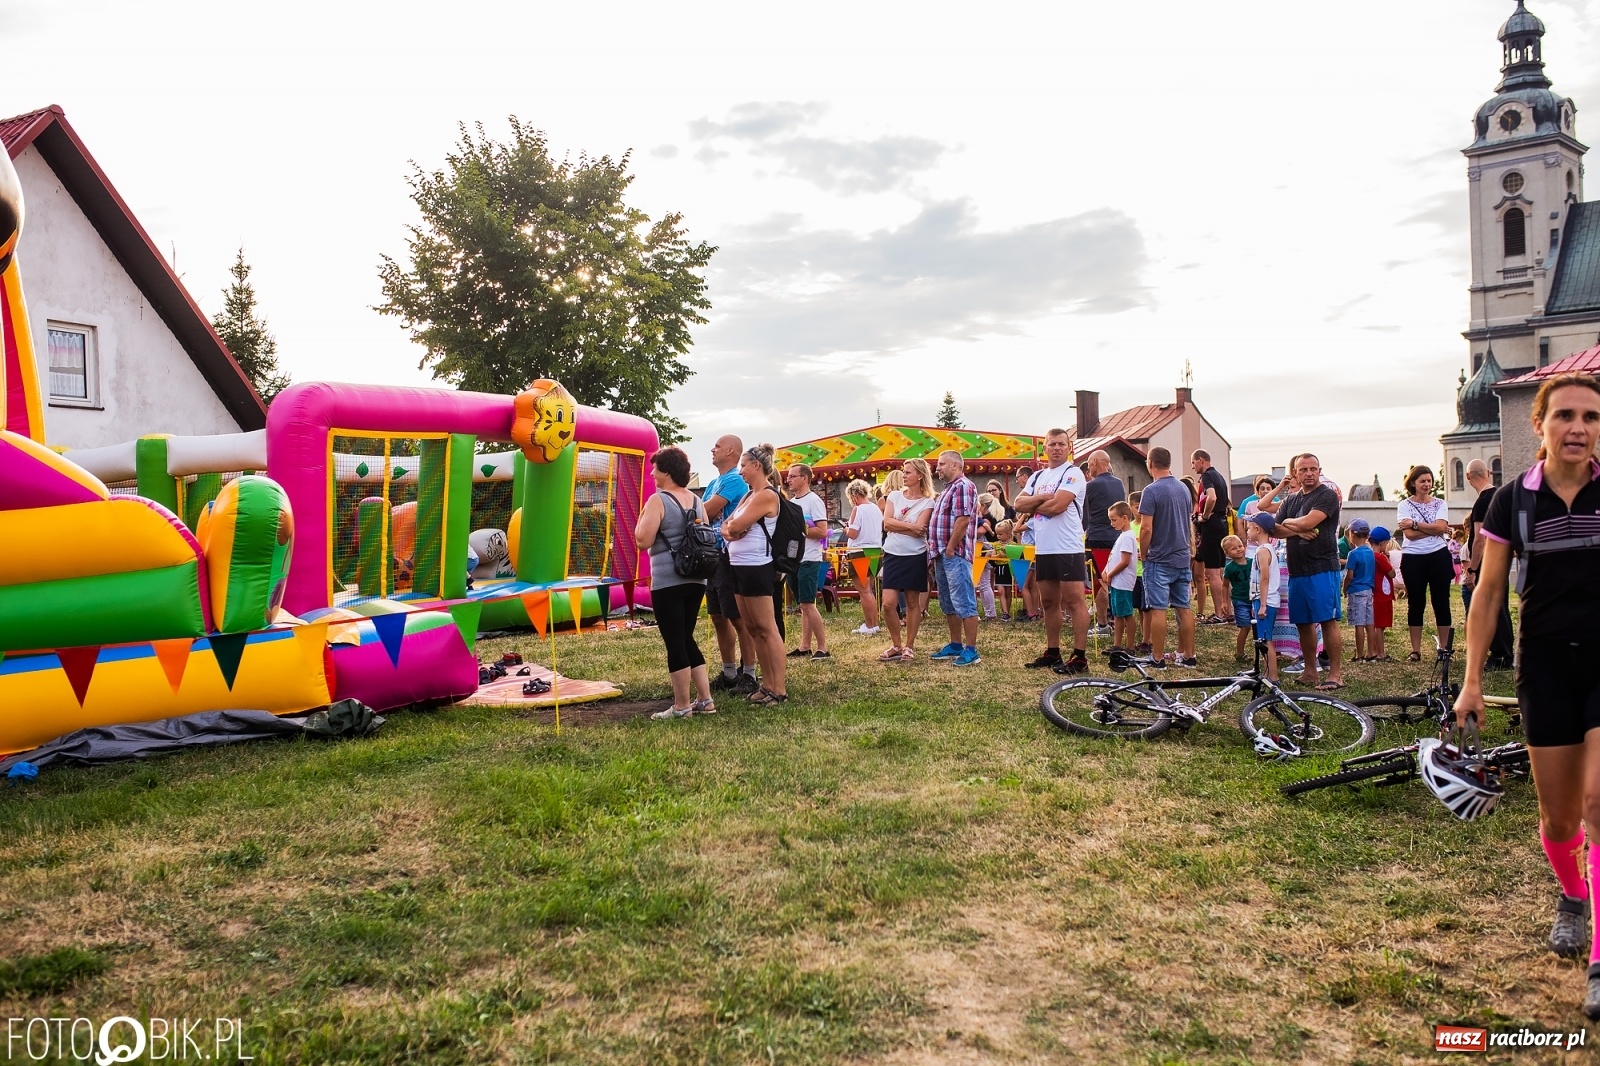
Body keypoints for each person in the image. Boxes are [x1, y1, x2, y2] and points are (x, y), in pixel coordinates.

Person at [1452, 373, 1600, 1018]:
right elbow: (1487, 594)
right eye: (1565, 415)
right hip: (1544, 664)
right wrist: (1473, 679)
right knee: (1561, 818)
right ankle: (1572, 896)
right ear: (1538, 425)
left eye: (1592, 417)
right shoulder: (1511, 500)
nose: (1579, 428)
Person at [635, 446, 715, 719]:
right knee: (686, 636)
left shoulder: (658, 500)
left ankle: (681, 706)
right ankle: (705, 700)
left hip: (669, 579)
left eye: (656, 468)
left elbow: (642, 540)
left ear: (666, 471)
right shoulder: (696, 501)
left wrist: (641, 519)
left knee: (675, 641)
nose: (652, 473)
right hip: (697, 577)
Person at [1259, 453, 1344, 690]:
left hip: (1323, 566)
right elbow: (1274, 529)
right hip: (1297, 570)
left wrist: (1292, 525)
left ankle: (1335, 674)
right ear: (1295, 473)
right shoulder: (1291, 501)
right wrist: (1296, 529)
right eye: (1303, 470)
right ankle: (1309, 671)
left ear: (1319, 471)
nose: (1308, 473)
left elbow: (1309, 522)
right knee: (1303, 623)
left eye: (1313, 469)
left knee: (1327, 620)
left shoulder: (1326, 495)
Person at [1014, 430, 1090, 673]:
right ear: (1044, 448)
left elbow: (1058, 506)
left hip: (1068, 546)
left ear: (1069, 448)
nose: (1056, 448)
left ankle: (1079, 656)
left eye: (1061, 444)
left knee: (1074, 601)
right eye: (1052, 444)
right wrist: (1046, 497)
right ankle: (1053, 651)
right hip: (1044, 547)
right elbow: (1017, 504)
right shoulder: (1037, 476)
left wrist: (1036, 502)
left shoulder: (1073, 473)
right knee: (1048, 601)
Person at [720, 444, 789, 706]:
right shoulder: (748, 496)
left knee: (766, 628)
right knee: (751, 628)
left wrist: (733, 528)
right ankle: (766, 684)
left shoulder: (766, 495)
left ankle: (778, 689)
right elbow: (728, 526)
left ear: (757, 466)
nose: (741, 471)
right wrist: (733, 529)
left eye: (744, 466)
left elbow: (735, 525)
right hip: (738, 565)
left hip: (757, 566)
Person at [701, 434, 757, 695]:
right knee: (718, 616)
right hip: (712, 557)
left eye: (718, 446)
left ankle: (749, 673)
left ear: (731, 451)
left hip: (727, 556)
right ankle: (729, 672)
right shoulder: (714, 481)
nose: (713, 449)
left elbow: (705, 512)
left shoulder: (734, 479)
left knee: (736, 617)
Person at [1137, 447, 1197, 667]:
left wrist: (1144, 554)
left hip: (1159, 558)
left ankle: (1158, 657)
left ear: (1150, 463)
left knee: (1158, 609)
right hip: (1181, 556)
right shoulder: (1183, 488)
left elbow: (1145, 529)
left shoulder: (1151, 491)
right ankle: (1189, 655)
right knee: (1184, 607)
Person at [927, 451, 982, 667]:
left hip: (955, 554)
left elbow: (963, 520)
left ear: (955, 466)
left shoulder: (963, 486)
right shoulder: (948, 489)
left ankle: (971, 650)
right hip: (942, 553)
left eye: (941, 464)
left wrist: (950, 548)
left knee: (964, 601)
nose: (937, 468)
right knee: (948, 602)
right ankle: (956, 644)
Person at [878, 458, 935, 663]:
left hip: (915, 555)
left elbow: (922, 526)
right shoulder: (893, 495)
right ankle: (896, 644)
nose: (904, 475)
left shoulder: (929, 501)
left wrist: (898, 524)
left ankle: (909, 646)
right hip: (893, 553)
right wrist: (910, 528)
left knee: (912, 603)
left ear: (920, 475)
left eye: (908, 472)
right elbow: (887, 523)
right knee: (888, 604)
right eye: (904, 471)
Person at [1396, 464, 1454, 662]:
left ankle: (1445, 648)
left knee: (1441, 602)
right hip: (1413, 558)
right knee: (1416, 603)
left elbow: (1441, 527)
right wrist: (1434, 529)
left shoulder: (1440, 503)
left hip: (1438, 555)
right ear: (1413, 483)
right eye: (1422, 481)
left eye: (1429, 481)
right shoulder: (1404, 505)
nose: (1426, 484)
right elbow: (1410, 536)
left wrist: (1415, 523)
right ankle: (1415, 649)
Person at [1462, 458, 1516, 670]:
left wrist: (1473, 569)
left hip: (1488, 562)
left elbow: (1480, 539)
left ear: (1468, 477)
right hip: (1502, 560)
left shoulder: (1484, 501)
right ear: (1488, 473)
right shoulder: (1502, 497)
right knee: (1501, 607)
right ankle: (1506, 654)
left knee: (1490, 608)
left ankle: (1499, 655)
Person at [784, 464, 831, 661]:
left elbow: (822, 531)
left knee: (808, 604)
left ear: (804, 478)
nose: (789, 480)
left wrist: (799, 529)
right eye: (788, 476)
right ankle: (804, 646)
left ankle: (823, 648)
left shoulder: (814, 501)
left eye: (793, 476)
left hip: (809, 559)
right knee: (803, 604)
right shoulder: (792, 502)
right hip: (793, 559)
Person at [1082, 450, 1126, 637]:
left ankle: (1102, 625)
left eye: (1089, 464)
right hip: (1116, 537)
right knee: (1116, 580)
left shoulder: (1090, 486)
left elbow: (1084, 516)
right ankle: (1120, 621)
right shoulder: (1119, 484)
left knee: (1100, 582)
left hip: (1098, 538)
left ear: (1094, 463)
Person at [1191, 449, 1232, 627]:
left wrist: (1205, 516)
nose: (1192, 467)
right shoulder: (1220, 476)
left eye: (1193, 463)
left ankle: (1219, 614)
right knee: (1221, 571)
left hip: (1212, 524)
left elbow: (1212, 497)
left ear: (1201, 460)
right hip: (1222, 524)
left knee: (1212, 572)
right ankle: (1227, 611)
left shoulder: (1207, 476)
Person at [844, 479, 883, 636]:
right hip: (875, 550)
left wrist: (846, 529)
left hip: (859, 552)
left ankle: (869, 625)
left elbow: (853, 533)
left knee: (864, 591)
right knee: (869, 590)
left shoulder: (858, 510)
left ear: (854, 495)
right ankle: (874, 624)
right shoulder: (875, 508)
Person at [1246, 514, 1281, 681]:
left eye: (1249, 527)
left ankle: (1272, 677)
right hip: (1264, 599)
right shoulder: (1268, 549)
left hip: (1265, 600)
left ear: (1257, 529)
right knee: (1264, 638)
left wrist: (1263, 605)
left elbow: (1264, 578)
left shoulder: (1262, 551)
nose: (1247, 531)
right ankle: (1268, 673)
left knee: (1266, 640)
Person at [1101, 502, 1139, 652]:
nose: (1112, 523)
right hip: (1116, 582)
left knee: (1127, 614)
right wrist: (1105, 570)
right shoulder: (1122, 536)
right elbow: (1114, 557)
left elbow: (1124, 561)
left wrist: (1110, 574)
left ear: (1124, 518)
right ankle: (1117, 645)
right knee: (1117, 614)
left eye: (1114, 520)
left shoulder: (1128, 537)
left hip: (1123, 582)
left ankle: (1130, 646)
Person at [1343, 519, 1377, 662]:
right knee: (1369, 622)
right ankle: (1371, 652)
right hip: (1369, 590)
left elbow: (1349, 575)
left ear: (1352, 534)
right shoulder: (1370, 552)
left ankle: (1359, 654)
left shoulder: (1353, 554)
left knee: (1359, 623)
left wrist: (1344, 588)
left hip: (1356, 591)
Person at [1221, 534, 1253, 661]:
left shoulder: (1253, 563)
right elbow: (1224, 586)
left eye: (1240, 546)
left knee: (1256, 628)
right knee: (1245, 627)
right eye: (1234, 548)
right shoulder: (1229, 568)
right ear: (1227, 553)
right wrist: (1224, 602)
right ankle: (1240, 653)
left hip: (1254, 599)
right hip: (1240, 601)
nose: (1239, 549)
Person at [975, 492, 1003, 621]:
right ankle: (990, 613)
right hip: (989, 550)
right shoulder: (997, 514)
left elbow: (981, 531)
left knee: (981, 584)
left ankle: (986, 613)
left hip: (982, 551)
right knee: (985, 584)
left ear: (983, 505)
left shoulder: (985, 517)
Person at [1370, 525, 1396, 662]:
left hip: (1374, 594)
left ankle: (1374, 650)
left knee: (1376, 625)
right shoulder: (1380, 557)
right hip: (1383, 595)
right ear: (1382, 543)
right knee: (1380, 626)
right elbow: (1392, 573)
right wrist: (1388, 560)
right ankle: (1380, 653)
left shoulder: (1369, 555)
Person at [992, 518, 1016, 620]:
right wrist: (998, 556)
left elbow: (1015, 557)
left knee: (1008, 591)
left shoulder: (1013, 545)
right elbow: (992, 556)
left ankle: (1008, 612)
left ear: (1008, 534)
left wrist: (1006, 554)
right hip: (999, 568)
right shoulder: (996, 544)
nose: (998, 536)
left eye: (1001, 534)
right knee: (1001, 591)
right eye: (997, 534)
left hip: (1009, 569)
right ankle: (1005, 612)